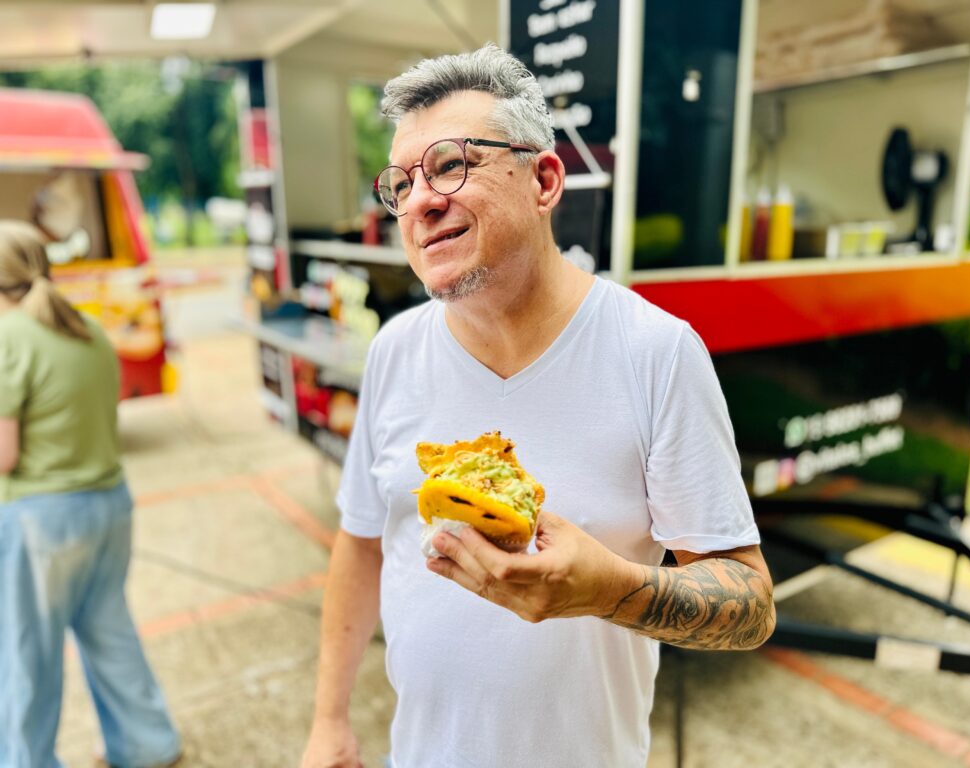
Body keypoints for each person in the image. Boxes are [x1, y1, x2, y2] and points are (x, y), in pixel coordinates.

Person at [301, 45, 776, 768]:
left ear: (545, 179)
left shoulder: (654, 352)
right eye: (400, 183)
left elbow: (750, 604)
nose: (421, 200)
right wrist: (328, 720)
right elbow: (364, 540)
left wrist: (609, 590)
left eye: (452, 165)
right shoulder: (396, 350)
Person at [0, 221, 181, 768]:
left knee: (26, 651)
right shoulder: (89, 328)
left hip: (41, 520)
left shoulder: (9, 337)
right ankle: (149, 746)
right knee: (108, 631)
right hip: (108, 507)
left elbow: (4, 455)